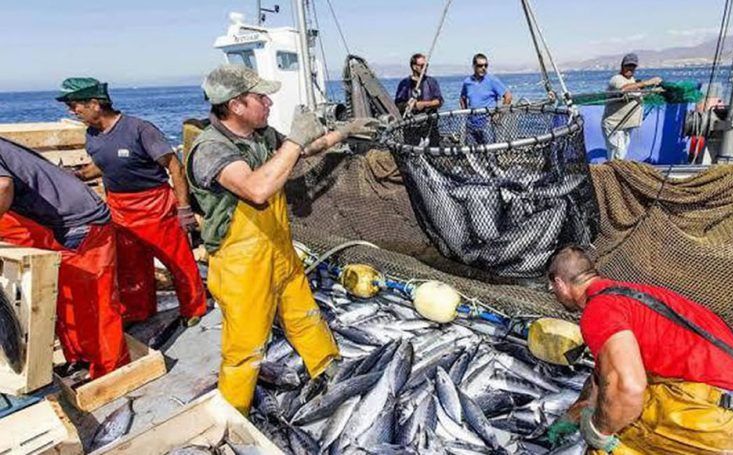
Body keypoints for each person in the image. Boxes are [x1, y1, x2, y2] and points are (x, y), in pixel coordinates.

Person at [186, 64, 378, 414]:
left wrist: (346, 132)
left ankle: (326, 366)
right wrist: (292, 140)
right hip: (240, 264)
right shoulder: (211, 149)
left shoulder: (259, 135)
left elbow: (304, 150)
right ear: (235, 106)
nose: (269, 102)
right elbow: (257, 190)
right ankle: (233, 415)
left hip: (278, 248)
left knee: (304, 312)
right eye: (260, 97)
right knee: (245, 347)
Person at [545, 245, 733, 454]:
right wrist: (574, 413)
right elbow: (603, 377)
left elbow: (628, 388)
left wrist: (599, 433)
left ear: (561, 284)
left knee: (614, 438)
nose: (553, 294)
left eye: (552, 287)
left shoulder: (598, 311)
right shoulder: (632, 294)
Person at [56, 78, 207, 326]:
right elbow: (102, 164)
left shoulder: (139, 130)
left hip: (155, 206)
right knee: (131, 267)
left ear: (95, 104)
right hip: (120, 209)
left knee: (178, 261)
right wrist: (81, 175)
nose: (72, 112)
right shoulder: (92, 135)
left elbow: (175, 167)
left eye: (74, 106)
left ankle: (194, 307)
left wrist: (184, 208)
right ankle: (140, 311)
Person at [0, 137, 129, 379]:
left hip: (80, 224)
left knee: (94, 304)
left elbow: (3, 187)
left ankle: (111, 371)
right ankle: (81, 360)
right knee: (64, 297)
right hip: (58, 222)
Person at [601, 53, 662, 161]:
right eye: (628, 65)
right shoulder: (616, 79)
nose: (630, 68)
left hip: (626, 126)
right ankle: (614, 175)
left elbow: (636, 94)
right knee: (618, 155)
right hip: (615, 126)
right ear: (622, 66)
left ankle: (615, 175)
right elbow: (624, 89)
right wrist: (647, 82)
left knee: (620, 155)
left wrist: (652, 91)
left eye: (633, 66)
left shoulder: (632, 80)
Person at [459, 53, 512, 145]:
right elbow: (462, 98)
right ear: (474, 66)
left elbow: (508, 96)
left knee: (490, 153)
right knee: (473, 153)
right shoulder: (467, 82)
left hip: (487, 123)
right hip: (471, 124)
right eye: (480, 65)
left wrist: (499, 115)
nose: (483, 68)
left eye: (485, 65)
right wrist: (466, 113)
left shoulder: (492, 80)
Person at [394, 53, 444, 146]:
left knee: (433, 154)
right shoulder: (404, 84)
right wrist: (408, 105)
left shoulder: (431, 82)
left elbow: (439, 101)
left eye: (426, 65)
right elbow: (398, 104)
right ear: (414, 67)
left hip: (430, 126)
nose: (425, 68)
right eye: (422, 66)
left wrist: (423, 104)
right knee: (412, 155)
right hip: (411, 127)